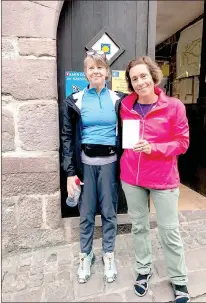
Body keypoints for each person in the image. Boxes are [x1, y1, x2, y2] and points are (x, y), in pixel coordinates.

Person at [119, 56, 190, 302]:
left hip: (163, 178)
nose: (140, 82)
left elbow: (183, 143)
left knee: (169, 231)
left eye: (143, 76)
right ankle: (143, 270)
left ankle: (179, 280)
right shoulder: (125, 105)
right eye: (134, 78)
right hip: (131, 177)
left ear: (153, 76)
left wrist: (154, 148)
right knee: (138, 226)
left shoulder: (174, 106)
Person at [61, 50, 125, 284]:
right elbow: (67, 137)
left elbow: (131, 129)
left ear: (107, 72)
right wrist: (69, 172)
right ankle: (85, 255)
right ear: (85, 73)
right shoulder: (74, 100)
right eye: (91, 67)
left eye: (100, 67)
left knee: (109, 212)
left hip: (110, 164)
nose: (96, 71)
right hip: (85, 166)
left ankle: (108, 255)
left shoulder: (119, 99)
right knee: (86, 214)